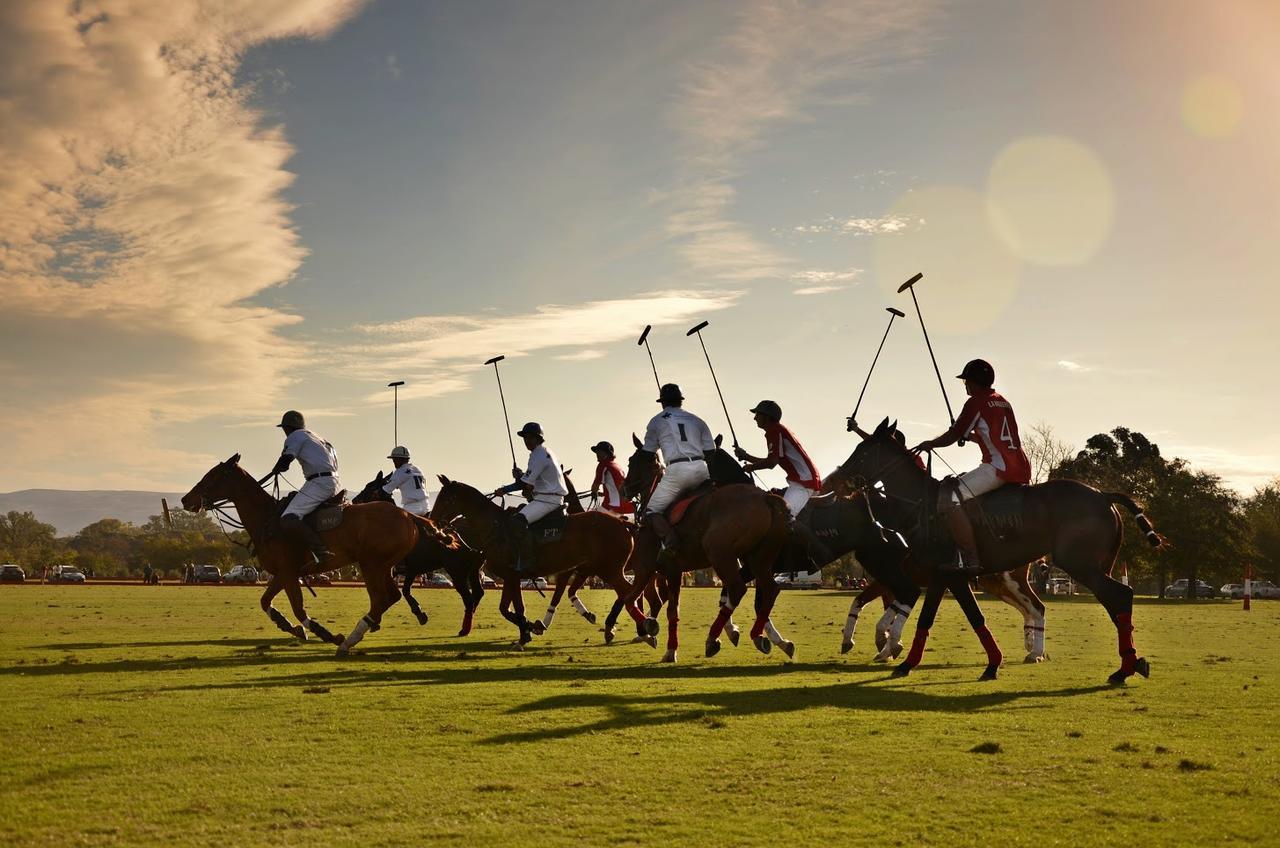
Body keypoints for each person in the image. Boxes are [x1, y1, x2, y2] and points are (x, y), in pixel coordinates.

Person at [910, 359, 1030, 574]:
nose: (965, 385)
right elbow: (994, 435)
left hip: (998, 467)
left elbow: (953, 435)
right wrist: (970, 436)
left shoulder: (976, 402)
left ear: (974, 382)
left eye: (966, 381)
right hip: (1020, 464)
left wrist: (930, 443)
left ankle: (968, 556)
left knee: (949, 497)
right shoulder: (1002, 401)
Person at [641, 383, 716, 560]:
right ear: (681, 401)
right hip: (701, 468)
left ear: (662, 402)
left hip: (677, 470)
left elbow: (647, 454)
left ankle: (670, 541)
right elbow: (711, 453)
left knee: (651, 511)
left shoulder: (657, 420)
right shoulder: (697, 420)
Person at [490, 422, 567, 572]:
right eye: (524, 437)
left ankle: (527, 559)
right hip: (546, 497)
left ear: (538, 438)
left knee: (516, 522)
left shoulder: (538, 455)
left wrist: (503, 490)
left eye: (529, 437)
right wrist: (520, 476)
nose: (526, 441)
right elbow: (530, 480)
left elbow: (524, 486)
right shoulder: (542, 452)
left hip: (547, 500)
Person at [270, 410, 340, 566]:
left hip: (319, 483)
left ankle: (321, 553)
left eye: (285, 428)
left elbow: (286, 460)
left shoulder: (296, 436)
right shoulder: (318, 437)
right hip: (333, 481)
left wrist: (275, 469)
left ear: (289, 427)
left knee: (288, 518)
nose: (285, 432)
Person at [735, 400, 821, 518]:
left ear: (767, 417)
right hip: (803, 480)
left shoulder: (774, 431)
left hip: (804, 481)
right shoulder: (777, 430)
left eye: (758, 414)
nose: (755, 418)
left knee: (783, 517)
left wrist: (751, 467)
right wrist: (746, 457)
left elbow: (771, 463)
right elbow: (771, 459)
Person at [588, 441, 635, 519]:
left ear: (606, 453)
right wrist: (603, 494)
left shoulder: (603, 465)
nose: (597, 454)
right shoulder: (617, 465)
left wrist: (594, 492)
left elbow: (595, 486)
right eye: (596, 452)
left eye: (599, 451)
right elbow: (616, 486)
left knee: (588, 520)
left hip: (611, 506)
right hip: (625, 505)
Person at [382, 446, 429, 515]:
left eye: (395, 459)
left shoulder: (400, 471)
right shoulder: (417, 469)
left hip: (412, 508)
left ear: (401, 459)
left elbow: (386, 490)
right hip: (426, 506)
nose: (393, 462)